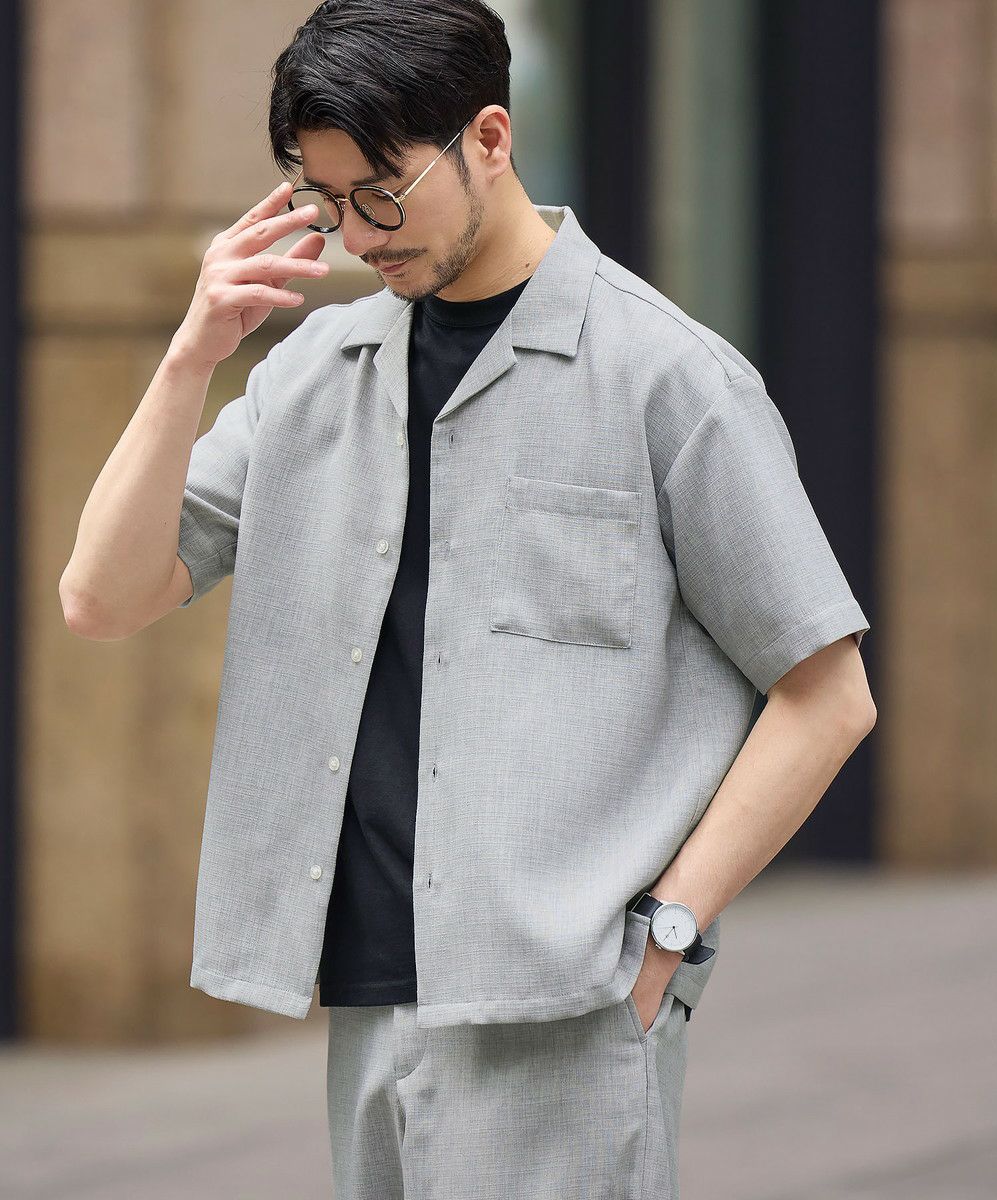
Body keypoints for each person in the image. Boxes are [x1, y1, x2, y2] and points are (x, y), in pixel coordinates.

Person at [59, 1, 877, 1196]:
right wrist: (192, 354)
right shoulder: (313, 374)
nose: (356, 237)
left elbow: (827, 693)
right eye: (326, 201)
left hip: (566, 1007)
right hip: (370, 1002)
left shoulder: (667, 376)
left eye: (382, 195)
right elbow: (103, 596)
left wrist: (669, 932)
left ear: (489, 138)